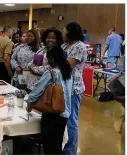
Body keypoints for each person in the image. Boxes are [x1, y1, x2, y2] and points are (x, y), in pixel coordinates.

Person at [26, 45, 72, 154]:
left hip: (52, 114)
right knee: (57, 145)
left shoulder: (51, 73)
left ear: (51, 59)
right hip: (64, 113)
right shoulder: (68, 72)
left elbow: (37, 91)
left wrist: (29, 102)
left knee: (49, 146)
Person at [62, 22, 87, 155]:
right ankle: (64, 146)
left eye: (64, 30)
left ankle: (70, 151)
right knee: (63, 119)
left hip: (74, 88)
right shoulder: (65, 45)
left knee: (71, 121)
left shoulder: (80, 46)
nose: (63, 33)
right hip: (63, 87)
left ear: (71, 32)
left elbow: (68, 64)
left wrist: (54, 60)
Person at [27, 28, 64, 93]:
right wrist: (30, 66)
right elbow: (35, 62)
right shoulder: (43, 49)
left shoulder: (58, 51)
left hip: (44, 86)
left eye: (53, 38)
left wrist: (33, 69)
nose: (50, 40)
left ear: (58, 39)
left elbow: (51, 68)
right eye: (48, 37)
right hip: (32, 85)